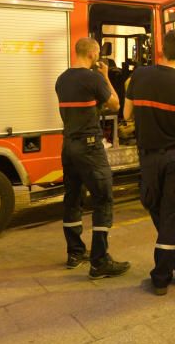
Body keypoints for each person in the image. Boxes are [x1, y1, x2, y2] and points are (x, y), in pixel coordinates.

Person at [124, 29, 175, 296]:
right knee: (170, 215)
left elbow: (126, 112)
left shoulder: (140, 75)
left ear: (161, 49)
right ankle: (161, 278)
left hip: (147, 157)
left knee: (158, 211)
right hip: (173, 157)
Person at [54, 38, 131, 279]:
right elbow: (116, 104)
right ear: (93, 54)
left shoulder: (62, 79)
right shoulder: (94, 78)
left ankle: (75, 253)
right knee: (103, 198)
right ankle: (100, 261)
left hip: (68, 146)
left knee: (72, 198)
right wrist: (106, 75)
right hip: (89, 147)